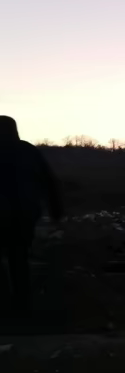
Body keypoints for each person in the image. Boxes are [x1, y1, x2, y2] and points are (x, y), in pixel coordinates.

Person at [0, 116, 63, 312]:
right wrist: (56, 211)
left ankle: (6, 300)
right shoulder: (28, 151)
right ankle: (21, 302)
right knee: (19, 257)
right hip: (25, 213)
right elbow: (49, 181)